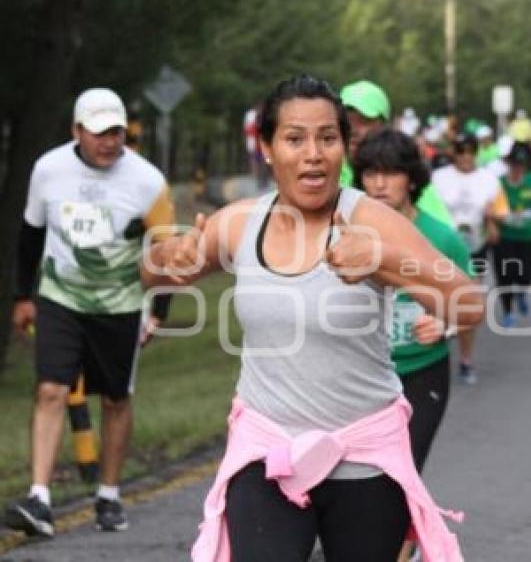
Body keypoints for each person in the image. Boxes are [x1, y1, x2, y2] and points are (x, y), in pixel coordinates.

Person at [144, 75, 481, 562]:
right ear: (266, 146)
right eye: (294, 138)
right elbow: (151, 273)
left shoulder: (371, 220)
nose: (313, 154)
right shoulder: (239, 222)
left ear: (344, 146)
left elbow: (469, 304)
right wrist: (167, 257)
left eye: (328, 138)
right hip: (268, 450)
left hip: (364, 454)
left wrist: (384, 261)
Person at [6, 88, 174, 536]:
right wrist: (24, 296)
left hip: (120, 303)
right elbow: (30, 235)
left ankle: (109, 493)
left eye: (116, 132)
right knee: (50, 390)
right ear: (77, 131)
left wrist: (158, 311)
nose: (109, 142)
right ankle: (39, 498)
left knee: (116, 398)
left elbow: (168, 251)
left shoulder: (147, 181)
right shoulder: (49, 169)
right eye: (99, 133)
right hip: (61, 298)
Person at [353, 128, 473, 562]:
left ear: (412, 179)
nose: (380, 184)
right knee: (362, 480)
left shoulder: (441, 239)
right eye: (370, 173)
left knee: (403, 471)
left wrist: (444, 323)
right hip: (362, 376)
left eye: (391, 173)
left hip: (422, 372)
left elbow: (470, 307)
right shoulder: (347, 236)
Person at [432, 132, 508, 385]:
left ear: (476, 153)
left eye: (470, 151)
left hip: (475, 248)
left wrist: (493, 218)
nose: (465, 156)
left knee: (467, 302)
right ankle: (434, 350)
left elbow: (502, 213)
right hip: (440, 247)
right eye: (460, 151)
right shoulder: (438, 178)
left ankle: (466, 359)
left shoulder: (489, 180)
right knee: (437, 301)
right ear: (453, 152)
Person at [338, 80, 454, 227]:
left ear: (384, 125)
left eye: (364, 121)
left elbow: (443, 237)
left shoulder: (407, 176)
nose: (353, 129)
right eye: (346, 122)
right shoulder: (327, 173)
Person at [493, 142, 531, 327]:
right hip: (504, 237)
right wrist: (492, 226)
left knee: (525, 275)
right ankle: (508, 311)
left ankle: (522, 292)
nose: (517, 167)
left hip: (528, 237)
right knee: (504, 276)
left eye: (521, 164)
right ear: (508, 163)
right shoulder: (499, 183)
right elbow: (490, 208)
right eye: (514, 163)